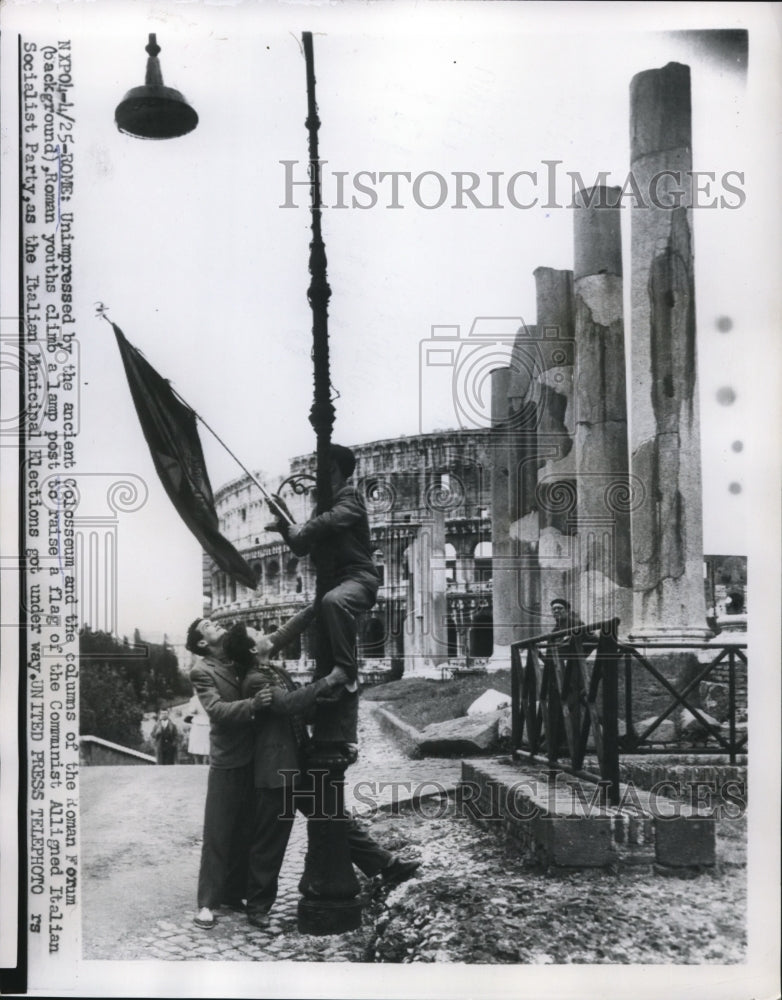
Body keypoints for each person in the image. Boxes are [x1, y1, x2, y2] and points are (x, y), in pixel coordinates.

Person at [225, 616, 421, 929]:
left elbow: (301, 707)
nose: (264, 633)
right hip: (276, 772)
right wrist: (329, 680)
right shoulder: (254, 680)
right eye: (256, 633)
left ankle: (387, 864)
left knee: (334, 818)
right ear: (251, 648)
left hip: (296, 766)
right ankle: (258, 905)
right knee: (271, 840)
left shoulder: (273, 671)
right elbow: (288, 705)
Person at [186, 616, 355, 930]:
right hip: (231, 760)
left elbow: (285, 632)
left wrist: (316, 607)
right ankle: (208, 903)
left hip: (264, 759)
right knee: (219, 831)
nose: (216, 623)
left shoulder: (242, 655)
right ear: (200, 643)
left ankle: (236, 894)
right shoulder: (202, 670)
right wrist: (252, 704)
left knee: (251, 829)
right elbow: (217, 712)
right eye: (208, 625)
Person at [267, 444, 379, 696]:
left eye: (321, 469)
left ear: (333, 469)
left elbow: (333, 519)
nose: (315, 474)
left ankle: (347, 673)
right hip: (335, 582)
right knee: (314, 612)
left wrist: (303, 529)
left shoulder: (350, 496)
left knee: (333, 602)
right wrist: (284, 521)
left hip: (359, 579)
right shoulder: (321, 508)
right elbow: (301, 548)